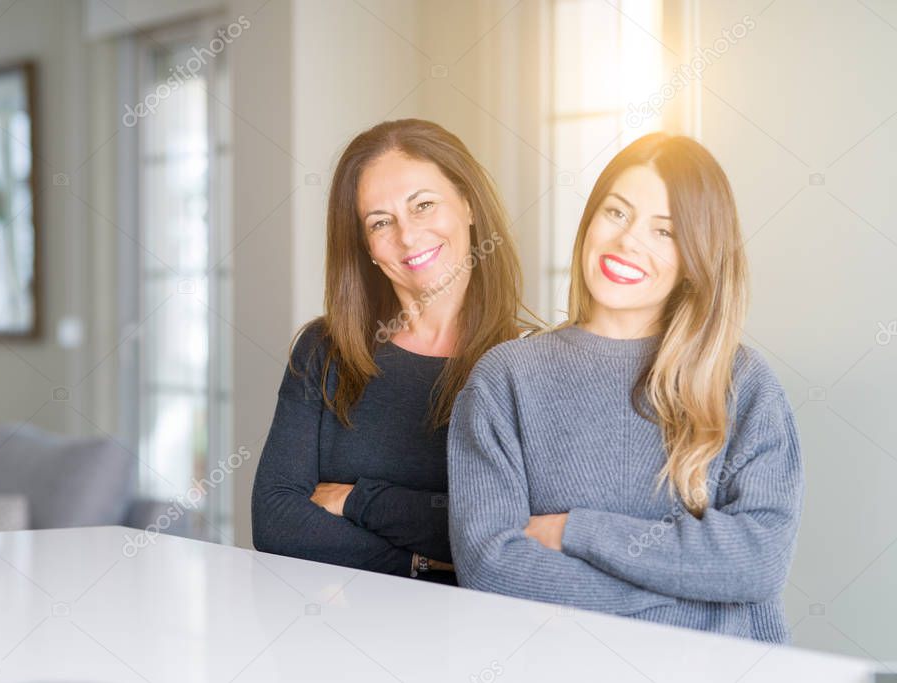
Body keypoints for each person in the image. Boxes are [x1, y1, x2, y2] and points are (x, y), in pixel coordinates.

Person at [448, 133, 803, 642]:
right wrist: (699, 590)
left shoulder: (743, 383)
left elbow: (759, 561)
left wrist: (577, 530)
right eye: (617, 213)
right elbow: (492, 567)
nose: (628, 241)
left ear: (695, 258)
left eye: (665, 231)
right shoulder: (506, 378)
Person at [252, 119, 538, 582]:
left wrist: (357, 500)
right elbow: (275, 521)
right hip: (331, 635)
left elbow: (513, 531)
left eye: (423, 205)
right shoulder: (324, 351)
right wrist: (419, 565)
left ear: (468, 204)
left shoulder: (529, 363)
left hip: (469, 639)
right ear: (365, 246)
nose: (407, 236)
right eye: (380, 222)